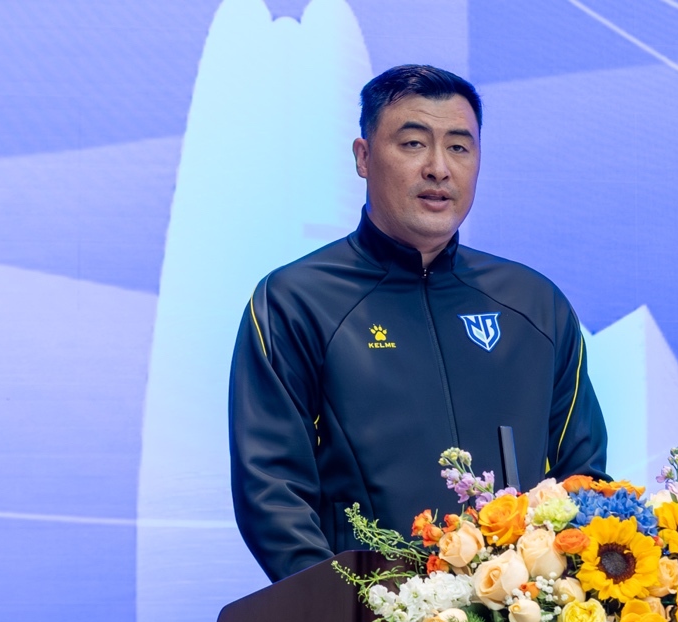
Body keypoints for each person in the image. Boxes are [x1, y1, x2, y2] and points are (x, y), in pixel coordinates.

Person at [230, 65, 608, 582]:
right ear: (364, 157)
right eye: (413, 144)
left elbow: (583, 484)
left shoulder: (535, 305)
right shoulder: (295, 302)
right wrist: (354, 610)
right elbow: (272, 494)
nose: (438, 168)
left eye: (459, 147)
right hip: (370, 621)